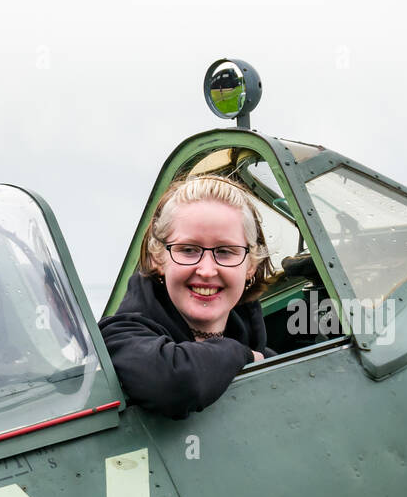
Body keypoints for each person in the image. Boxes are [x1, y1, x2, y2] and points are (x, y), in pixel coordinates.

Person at [99, 175, 277, 419]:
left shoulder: (265, 354)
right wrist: (242, 355)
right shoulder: (119, 338)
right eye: (188, 250)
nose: (206, 270)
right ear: (158, 258)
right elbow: (173, 384)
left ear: (251, 266)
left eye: (225, 252)